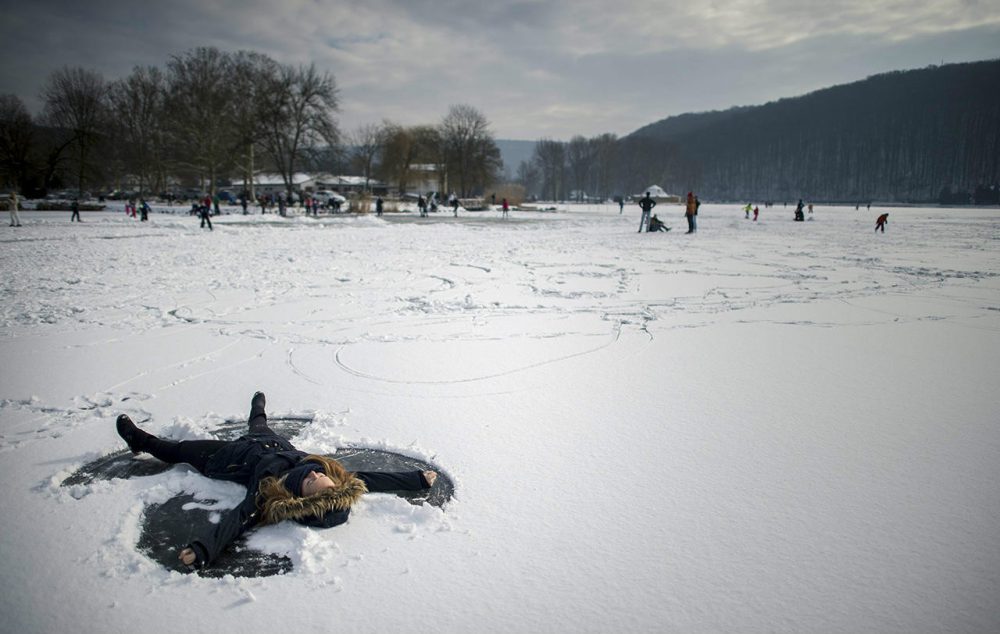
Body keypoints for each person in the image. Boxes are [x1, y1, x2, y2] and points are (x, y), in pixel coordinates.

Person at [115, 392, 437, 569]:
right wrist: (416, 480)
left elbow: (238, 520)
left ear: (301, 495)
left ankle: (139, 439)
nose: (316, 473)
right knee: (258, 421)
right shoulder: (321, 469)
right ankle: (258, 405)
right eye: (321, 476)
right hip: (271, 442)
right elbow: (368, 478)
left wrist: (204, 549)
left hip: (227, 458)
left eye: (313, 482)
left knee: (179, 450)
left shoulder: (267, 493)